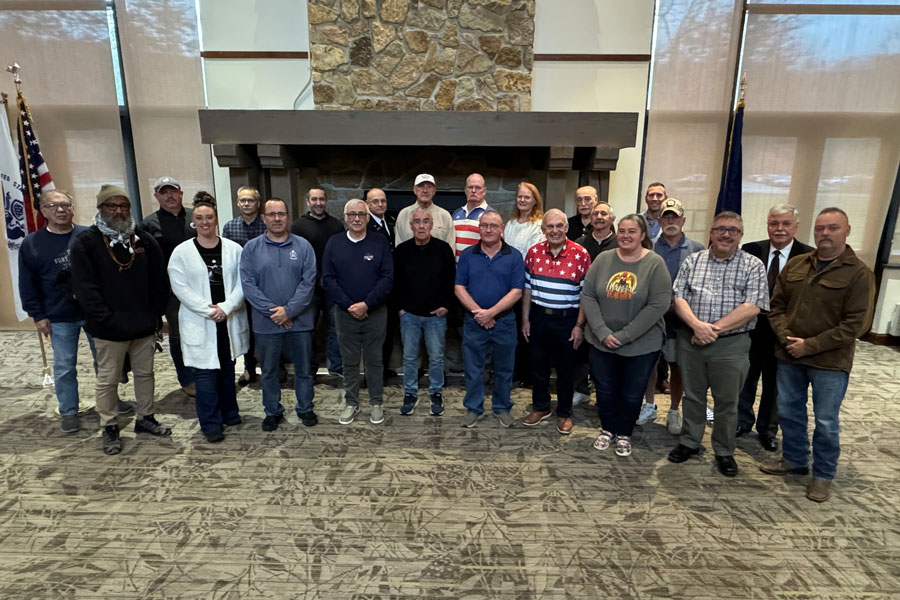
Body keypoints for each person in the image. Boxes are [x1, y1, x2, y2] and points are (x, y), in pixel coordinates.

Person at [760, 208, 875, 503]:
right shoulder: (798, 264)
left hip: (830, 363)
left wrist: (808, 345)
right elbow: (776, 306)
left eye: (833, 228)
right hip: (789, 356)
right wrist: (788, 340)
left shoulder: (859, 274)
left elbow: (856, 325)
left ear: (847, 231)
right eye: (820, 228)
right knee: (789, 412)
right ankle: (795, 461)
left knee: (826, 421)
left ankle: (823, 475)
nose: (825, 233)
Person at [19, 190, 133, 433]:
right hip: (58, 315)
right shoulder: (32, 244)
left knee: (105, 362)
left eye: (65, 205)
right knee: (64, 365)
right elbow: (27, 283)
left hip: (95, 312)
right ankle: (69, 410)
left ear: (72, 208)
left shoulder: (89, 235)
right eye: (53, 206)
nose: (60, 210)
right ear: (43, 210)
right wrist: (37, 315)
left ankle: (110, 401)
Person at [70, 184, 172, 455]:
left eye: (123, 206)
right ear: (101, 209)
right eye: (111, 206)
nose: (118, 211)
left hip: (144, 325)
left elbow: (160, 280)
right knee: (108, 379)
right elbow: (84, 288)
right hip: (108, 329)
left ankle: (145, 417)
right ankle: (110, 426)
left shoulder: (143, 240)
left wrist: (155, 315)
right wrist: (106, 319)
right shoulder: (85, 243)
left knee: (145, 374)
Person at [667, 211, 768, 477]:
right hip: (692, 340)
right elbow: (679, 298)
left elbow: (753, 305)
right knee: (693, 396)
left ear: (741, 236)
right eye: (720, 229)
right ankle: (690, 441)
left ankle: (724, 450)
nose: (726, 234)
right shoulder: (693, 261)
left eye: (733, 230)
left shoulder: (753, 265)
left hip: (731, 344)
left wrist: (713, 329)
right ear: (711, 233)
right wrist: (697, 326)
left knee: (726, 401)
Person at [582, 215, 671, 457]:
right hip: (601, 342)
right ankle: (607, 429)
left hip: (641, 345)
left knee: (632, 393)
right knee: (605, 390)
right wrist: (602, 332)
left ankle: (624, 433)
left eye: (632, 231)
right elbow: (588, 295)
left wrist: (623, 336)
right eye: (621, 230)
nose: (625, 235)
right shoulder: (603, 259)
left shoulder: (655, 264)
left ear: (643, 235)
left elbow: (658, 305)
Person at [168, 200, 248, 442]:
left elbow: (243, 282)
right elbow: (179, 287)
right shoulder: (181, 252)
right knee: (205, 377)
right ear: (194, 222)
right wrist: (209, 310)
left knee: (227, 370)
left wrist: (226, 307)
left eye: (209, 217)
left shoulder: (234, 249)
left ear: (216, 219)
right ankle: (211, 423)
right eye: (200, 218)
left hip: (227, 318)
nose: (205, 222)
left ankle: (230, 412)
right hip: (200, 320)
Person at [737, 204, 813, 451]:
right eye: (774, 223)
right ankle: (741, 421)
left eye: (785, 223)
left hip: (785, 332)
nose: (779, 229)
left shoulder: (807, 256)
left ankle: (767, 430)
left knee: (775, 384)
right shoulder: (751, 250)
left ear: (796, 226)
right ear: (767, 224)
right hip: (750, 328)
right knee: (745, 378)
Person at [241, 198, 318, 431]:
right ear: (263, 217)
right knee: (269, 372)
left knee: (304, 371)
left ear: (288, 217)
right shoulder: (251, 248)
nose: (277, 218)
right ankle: (272, 411)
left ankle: (305, 408)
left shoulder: (303, 246)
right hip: (267, 324)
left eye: (281, 214)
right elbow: (248, 285)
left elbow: (309, 283)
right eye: (271, 214)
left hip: (300, 321)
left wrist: (289, 311)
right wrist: (274, 312)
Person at [323, 199, 394, 426]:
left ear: (367, 216)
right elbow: (328, 279)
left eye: (361, 214)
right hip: (344, 314)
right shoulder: (334, 243)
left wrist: (366, 304)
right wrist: (349, 305)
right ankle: (351, 403)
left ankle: (375, 403)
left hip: (375, 312)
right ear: (345, 217)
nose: (356, 218)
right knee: (349, 362)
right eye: (351, 214)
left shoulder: (379, 242)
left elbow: (387, 277)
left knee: (375, 360)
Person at [638, 198, 705, 434]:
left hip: (681, 320)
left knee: (677, 366)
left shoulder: (697, 250)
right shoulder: (648, 247)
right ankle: (648, 405)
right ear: (659, 219)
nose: (670, 221)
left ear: (683, 220)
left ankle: (674, 410)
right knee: (649, 363)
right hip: (653, 318)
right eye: (666, 216)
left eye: (675, 216)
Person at [521, 209, 591, 434]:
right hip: (539, 316)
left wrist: (579, 325)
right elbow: (527, 290)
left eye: (559, 225)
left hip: (567, 319)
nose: (555, 230)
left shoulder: (581, 254)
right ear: (543, 229)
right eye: (550, 226)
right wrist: (525, 319)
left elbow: (585, 296)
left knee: (566, 369)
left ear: (567, 227)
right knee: (538, 365)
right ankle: (541, 407)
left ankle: (564, 412)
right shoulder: (533, 253)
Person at [455, 210, 524, 428]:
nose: (488, 230)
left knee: (505, 369)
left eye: (493, 226)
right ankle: (473, 408)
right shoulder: (467, 255)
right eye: (484, 225)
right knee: (473, 368)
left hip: (504, 322)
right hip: (474, 321)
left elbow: (517, 291)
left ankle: (502, 407)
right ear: (479, 228)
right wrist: (480, 313)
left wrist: (491, 313)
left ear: (502, 229)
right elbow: (458, 287)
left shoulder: (514, 256)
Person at [393, 208, 456, 416]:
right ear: (411, 226)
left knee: (436, 357)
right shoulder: (401, 251)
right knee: (410, 357)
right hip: (409, 315)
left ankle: (436, 392)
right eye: (417, 222)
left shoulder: (444, 249)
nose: (421, 225)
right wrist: (400, 308)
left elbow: (451, 280)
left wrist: (446, 305)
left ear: (431, 225)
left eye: (425, 221)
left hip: (435, 316)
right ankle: (410, 392)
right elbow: (395, 282)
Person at [140, 175, 196, 396]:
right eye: (164, 192)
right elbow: (147, 261)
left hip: (200, 286)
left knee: (202, 331)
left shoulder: (195, 217)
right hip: (171, 291)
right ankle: (187, 378)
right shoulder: (148, 223)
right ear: (157, 196)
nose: (170, 196)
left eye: (173, 191)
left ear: (181, 193)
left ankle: (204, 373)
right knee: (178, 334)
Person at [290, 187, 344, 375]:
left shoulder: (336, 225)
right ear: (308, 202)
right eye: (314, 199)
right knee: (308, 327)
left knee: (335, 327)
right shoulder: (298, 226)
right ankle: (310, 368)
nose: (318, 203)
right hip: (308, 287)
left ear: (326, 201)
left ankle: (335, 366)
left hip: (332, 286)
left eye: (322, 199)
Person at [222, 186, 267, 385]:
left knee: (268, 327)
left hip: (266, 285)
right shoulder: (230, 227)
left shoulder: (267, 224)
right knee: (245, 327)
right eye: (243, 200)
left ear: (258, 203)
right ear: (237, 203)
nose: (247, 203)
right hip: (240, 287)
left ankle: (273, 367)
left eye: (250, 200)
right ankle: (249, 368)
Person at [503, 182, 545, 386]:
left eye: (527, 197)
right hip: (509, 282)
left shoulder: (539, 225)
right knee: (512, 330)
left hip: (529, 282)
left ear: (535, 200)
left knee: (526, 329)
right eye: (520, 196)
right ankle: (514, 372)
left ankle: (528, 375)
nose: (522, 200)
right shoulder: (510, 224)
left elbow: (533, 254)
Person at [366, 187, 399, 379]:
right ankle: (373, 373)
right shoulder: (366, 225)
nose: (380, 205)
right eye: (375, 201)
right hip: (375, 287)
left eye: (383, 201)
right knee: (374, 334)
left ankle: (383, 368)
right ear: (367, 204)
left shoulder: (390, 222)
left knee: (388, 330)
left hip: (391, 287)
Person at [395, 174, 455, 247]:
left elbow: (450, 248)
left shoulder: (445, 216)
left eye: (429, 187)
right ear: (414, 189)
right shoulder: (403, 215)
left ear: (434, 191)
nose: (425, 190)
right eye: (421, 186)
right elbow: (399, 247)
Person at [452, 173, 491, 259]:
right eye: (470, 187)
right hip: (457, 268)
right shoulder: (456, 214)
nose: (473, 190)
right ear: (465, 190)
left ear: (484, 191)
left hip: (478, 268)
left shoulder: (491, 215)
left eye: (478, 187)